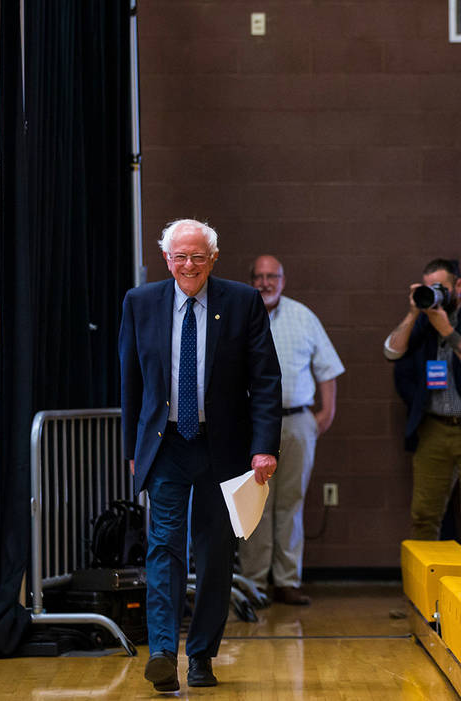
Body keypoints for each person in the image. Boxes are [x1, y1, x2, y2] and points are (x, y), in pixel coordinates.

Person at [119, 219, 281, 692]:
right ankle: (164, 653)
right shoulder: (140, 302)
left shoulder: (242, 302)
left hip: (222, 447)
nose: (188, 265)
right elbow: (131, 381)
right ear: (166, 260)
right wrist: (134, 448)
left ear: (213, 258)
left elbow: (266, 380)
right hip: (166, 444)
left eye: (197, 256)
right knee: (164, 546)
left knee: (214, 555)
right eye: (179, 257)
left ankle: (202, 655)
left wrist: (263, 447)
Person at [240, 254, 344, 606]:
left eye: (273, 276)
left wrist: (325, 412)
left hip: (298, 421)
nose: (266, 282)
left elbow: (327, 368)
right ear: (251, 279)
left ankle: (286, 580)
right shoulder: (239, 314)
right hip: (251, 422)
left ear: (283, 280)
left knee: (290, 502)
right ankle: (253, 583)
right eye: (260, 276)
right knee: (255, 503)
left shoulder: (303, 317)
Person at [384, 258, 461, 549]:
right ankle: (423, 590)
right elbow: (391, 352)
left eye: (440, 287)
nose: (435, 293)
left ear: (458, 285)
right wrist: (414, 313)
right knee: (424, 515)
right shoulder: (423, 317)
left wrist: (447, 330)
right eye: (428, 288)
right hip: (433, 428)